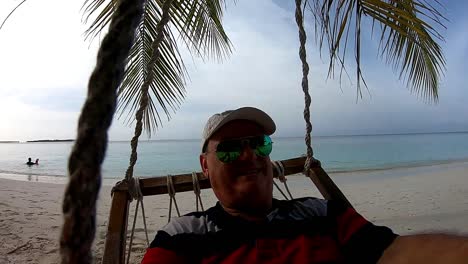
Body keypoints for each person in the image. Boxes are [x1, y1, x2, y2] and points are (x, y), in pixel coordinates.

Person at [142, 107, 468, 264]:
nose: (248, 155)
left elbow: (391, 251)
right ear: (205, 166)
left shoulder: (319, 212)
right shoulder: (183, 236)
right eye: (228, 148)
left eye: (259, 143)